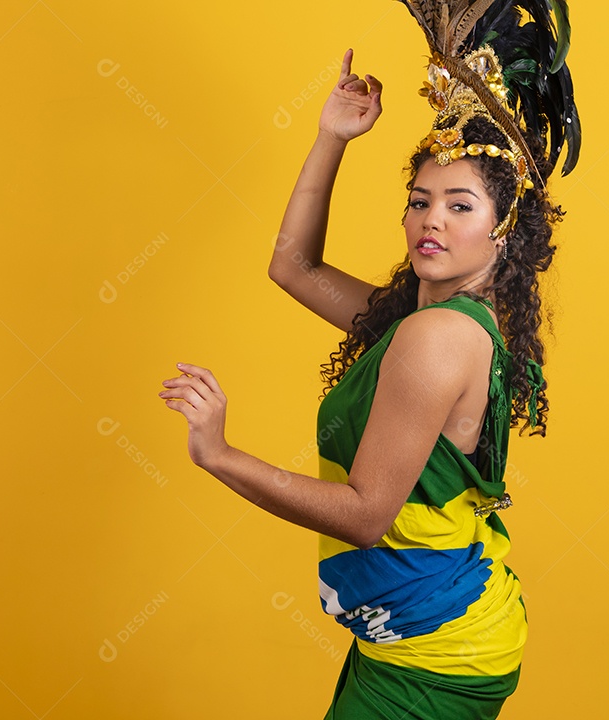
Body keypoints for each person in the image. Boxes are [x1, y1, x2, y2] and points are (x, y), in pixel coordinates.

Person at [159, 3, 578, 717]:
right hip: (408, 634)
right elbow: (293, 267)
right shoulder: (419, 318)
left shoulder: (437, 338)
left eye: (460, 206)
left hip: (436, 655)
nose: (432, 220)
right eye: (420, 201)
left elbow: (363, 514)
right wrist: (332, 137)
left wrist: (221, 455)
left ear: (504, 231)